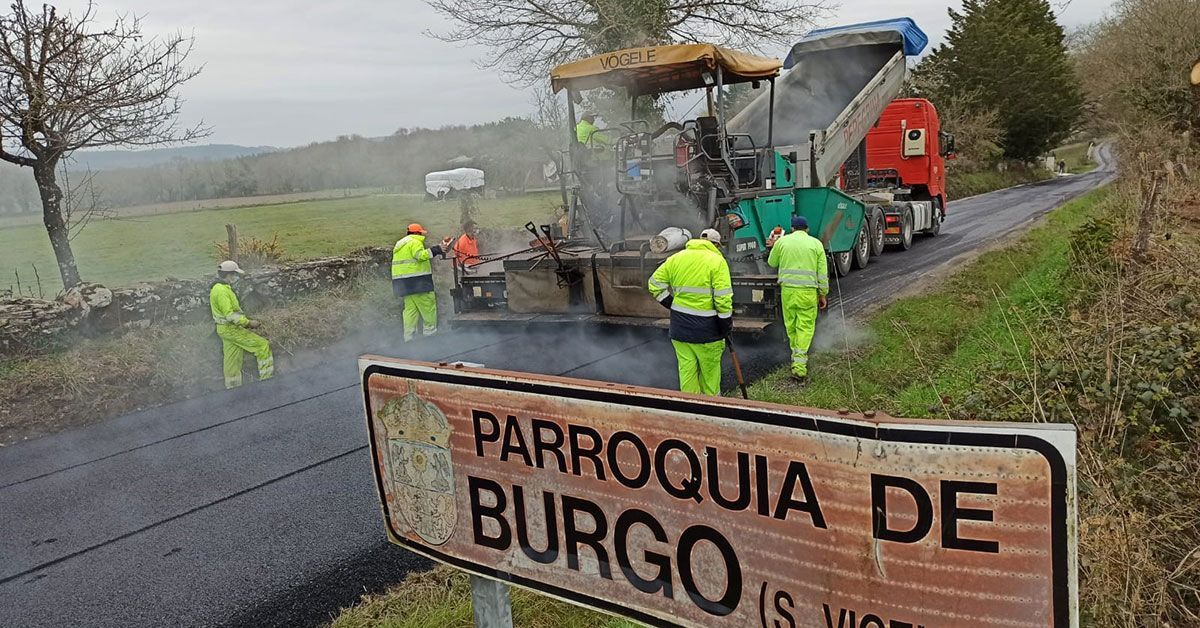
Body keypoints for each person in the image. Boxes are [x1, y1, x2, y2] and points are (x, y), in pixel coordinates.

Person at [647, 229, 733, 395]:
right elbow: (723, 300)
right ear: (716, 245)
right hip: (708, 332)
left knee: (687, 373)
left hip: (680, 330)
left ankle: (690, 409)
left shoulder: (676, 258)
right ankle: (712, 409)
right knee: (710, 376)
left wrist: (671, 303)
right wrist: (725, 325)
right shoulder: (717, 261)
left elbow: (654, 284)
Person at [766, 215, 828, 383]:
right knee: (805, 327)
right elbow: (822, 273)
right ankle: (800, 366)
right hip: (808, 292)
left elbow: (772, 263)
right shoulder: (816, 244)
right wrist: (823, 293)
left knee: (791, 326)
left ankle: (795, 357)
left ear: (792, 228)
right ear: (807, 229)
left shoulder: (782, 242)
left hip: (788, 292)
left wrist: (773, 246)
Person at [209, 260, 273, 389]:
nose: (236, 278)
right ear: (229, 275)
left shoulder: (219, 288)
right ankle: (267, 383)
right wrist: (249, 323)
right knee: (262, 346)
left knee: (232, 360)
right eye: (235, 275)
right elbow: (230, 314)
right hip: (230, 328)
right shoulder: (222, 291)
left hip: (223, 329)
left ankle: (233, 389)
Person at [392, 223, 452, 341]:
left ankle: (409, 338)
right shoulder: (415, 242)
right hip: (418, 283)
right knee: (428, 308)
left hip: (404, 284)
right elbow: (420, 255)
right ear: (417, 233)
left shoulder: (400, 245)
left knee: (410, 311)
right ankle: (430, 337)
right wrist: (437, 249)